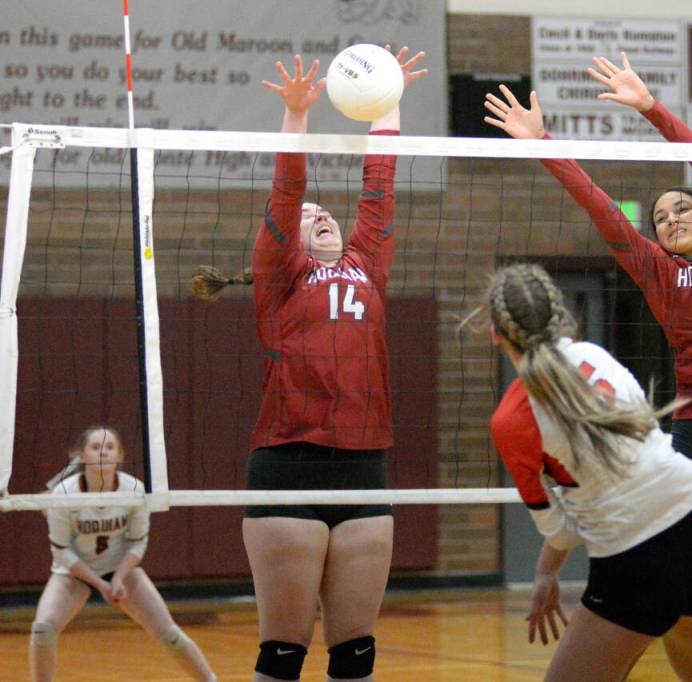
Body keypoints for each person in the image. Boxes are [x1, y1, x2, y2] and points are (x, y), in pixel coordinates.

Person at [484, 52, 692, 682]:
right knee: (674, 558)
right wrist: (543, 144)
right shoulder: (656, 269)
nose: (670, 219)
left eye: (681, 209)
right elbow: (600, 206)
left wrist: (650, 107)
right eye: (659, 218)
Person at [191, 49, 426, 682]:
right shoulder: (279, 278)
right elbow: (288, 186)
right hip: (288, 463)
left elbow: (379, 183)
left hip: (365, 466)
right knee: (284, 654)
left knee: (355, 655)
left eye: (326, 213)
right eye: (307, 217)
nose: (319, 213)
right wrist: (296, 116)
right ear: (282, 239)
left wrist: (388, 96)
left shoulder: (365, 262)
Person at [483, 262, 692, 682]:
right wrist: (548, 569)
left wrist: (547, 569)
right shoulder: (595, 356)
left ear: (495, 332)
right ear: (560, 317)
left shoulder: (512, 418)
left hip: (633, 566)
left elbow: (565, 531)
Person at [29, 426, 216, 682]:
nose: (103, 452)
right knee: (42, 630)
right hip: (74, 572)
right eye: (95, 447)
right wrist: (99, 584)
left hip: (120, 569)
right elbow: (61, 550)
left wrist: (117, 577)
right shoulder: (63, 493)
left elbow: (138, 542)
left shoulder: (134, 490)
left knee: (170, 635)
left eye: (109, 447)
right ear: (82, 456)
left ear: (120, 455)